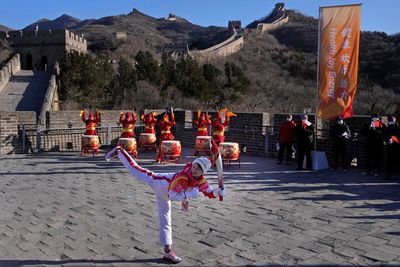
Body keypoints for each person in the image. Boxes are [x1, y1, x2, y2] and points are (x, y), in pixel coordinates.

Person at [105, 146, 226, 263]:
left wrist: (218, 192)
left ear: (202, 172)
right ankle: (119, 150)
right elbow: (172, 195)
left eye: (197, 169)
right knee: (135, 170)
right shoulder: (183, 178)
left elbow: (209, 193)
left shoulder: (201, 181)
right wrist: (189, 195)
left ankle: (168, 252)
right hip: (159, 182)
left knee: (166, 220)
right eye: (193, 166)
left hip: (166, 195)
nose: (194, 170)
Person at [384, 115, 400, 180]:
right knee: (390, 162)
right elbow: (384, 135)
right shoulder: (387, 127)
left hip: (397, 147)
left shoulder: (398, 127)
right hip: (390, 147)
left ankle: (389, 175)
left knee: (397, 161)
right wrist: (388, 139)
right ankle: (388, 175)